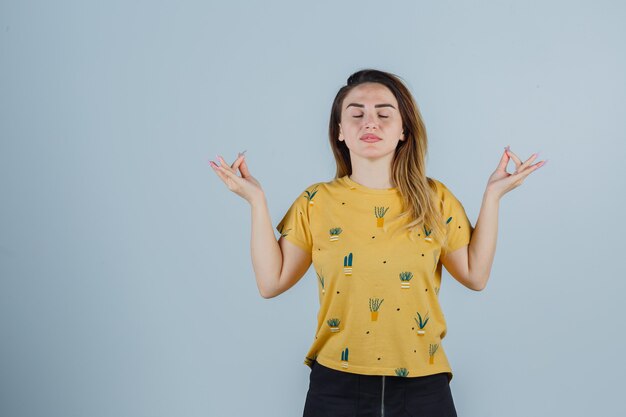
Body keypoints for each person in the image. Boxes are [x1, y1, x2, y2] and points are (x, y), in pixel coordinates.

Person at [209, 69, 546, 417]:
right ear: (339, 131)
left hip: (423, 385)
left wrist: (493, 197)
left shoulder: (435, 199)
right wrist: (256, 201)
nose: (370, 122)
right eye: (356, 114)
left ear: (403, 130)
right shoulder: (315, 202)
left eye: (384, 114)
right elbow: (271, 282)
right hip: (336, 386)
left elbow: (475, 275)